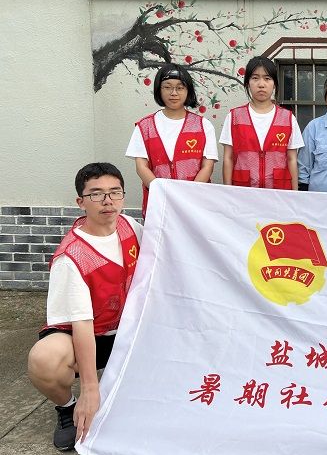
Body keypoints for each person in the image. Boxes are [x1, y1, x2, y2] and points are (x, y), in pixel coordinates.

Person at [27, 163, 143, 451]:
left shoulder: (130, 227)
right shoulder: (72, 256)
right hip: (91, 336)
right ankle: (67, 408)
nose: (107, 201)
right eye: (97, 194)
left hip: (128, 330)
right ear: (81, 202)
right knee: (45, 359)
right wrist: (90, 388)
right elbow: (82, 324)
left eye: (115, 192)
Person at [126, 63, 218, 218]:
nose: (174, 93)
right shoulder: (144, 126)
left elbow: (207, 166)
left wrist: (187, 196)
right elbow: (141, 167)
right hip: (158, 205)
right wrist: (163, 195)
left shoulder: (203, 125)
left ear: (188, 91)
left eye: (180, 87)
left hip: (195, 205)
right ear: (159, 89)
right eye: (167, 87)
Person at [220, 56, 303, 189]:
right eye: (255, 78)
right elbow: (228, 158)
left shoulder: (287, 118)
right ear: (247, 83)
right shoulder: (234, 117)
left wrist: (294, 194)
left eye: (267, 78)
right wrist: (228, 191)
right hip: (243, 191)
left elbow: (292, 159)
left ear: (274, 84)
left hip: (278, 191)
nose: (261, 84)